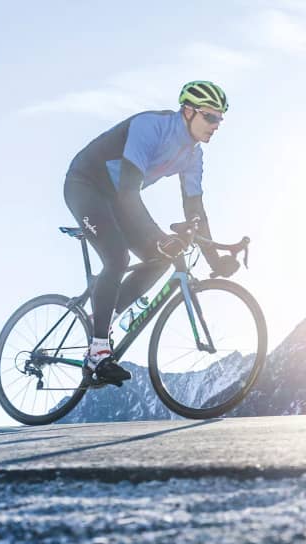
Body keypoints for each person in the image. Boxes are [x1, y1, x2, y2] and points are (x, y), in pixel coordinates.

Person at [63, 80, 230, 386]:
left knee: (160, 259)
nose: (216, 125)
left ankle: (102, 318)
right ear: (188, 111)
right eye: (210, 116)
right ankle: (98, 352)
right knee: (117, 257)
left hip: (114, 198)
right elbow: (128, 193)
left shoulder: (194, 156)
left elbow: (195, 212)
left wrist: (216, 261)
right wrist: (159, 236)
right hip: (85, 185)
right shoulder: (150, 127)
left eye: (220, 118)